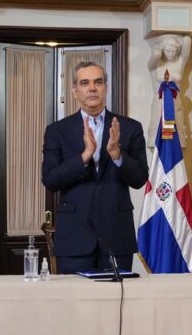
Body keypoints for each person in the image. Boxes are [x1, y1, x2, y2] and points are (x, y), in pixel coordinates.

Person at [41, 61, 149, 273]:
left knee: (118, 304)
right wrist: (84, 156)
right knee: (75, 305)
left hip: (117, 237)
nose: (92, 88)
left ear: (105, 88)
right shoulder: (57, 131)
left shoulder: (129, 127)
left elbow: (139, 180)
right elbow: (50, 180)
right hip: (74, 239)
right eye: (85, 82)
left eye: (98, 82)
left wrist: (118, 155)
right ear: (74, 90)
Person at [146, 34, 192, 148]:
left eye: (173, 51)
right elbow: (151, 62)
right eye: (168, 51)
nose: (171, 54)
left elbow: (187, 41)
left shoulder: (180, 62)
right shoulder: (156, 63)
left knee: (177, 138)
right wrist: (157, 53)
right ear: (163, 50)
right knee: (157, 140)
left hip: (176, 104)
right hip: (159, 104)